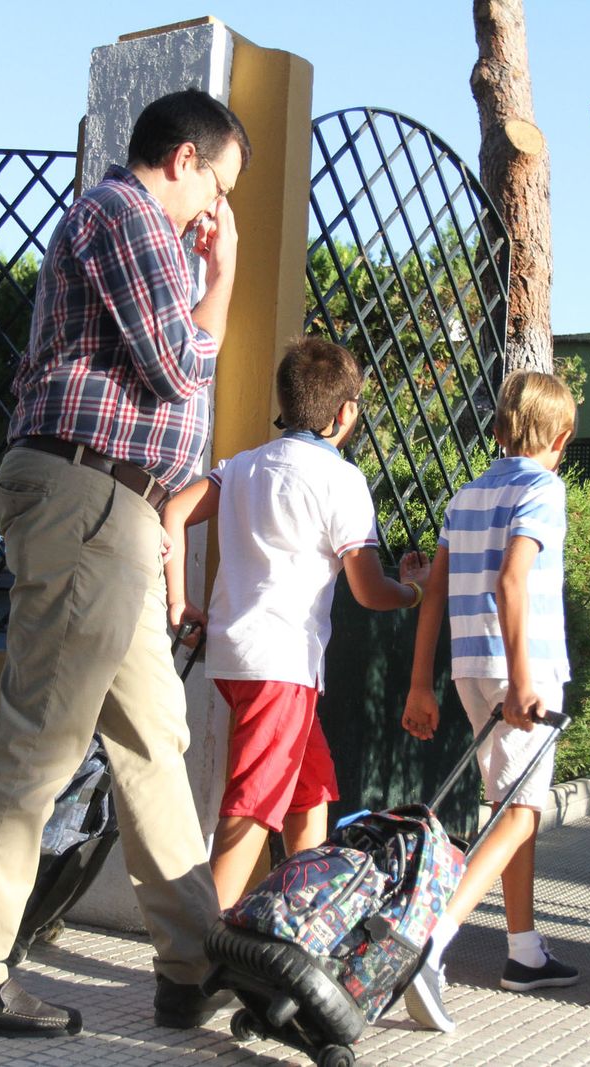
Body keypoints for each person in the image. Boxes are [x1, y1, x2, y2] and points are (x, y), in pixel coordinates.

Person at [0, 89, 250, 1039]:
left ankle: (193, 963)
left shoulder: (137, 229)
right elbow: (178, 367)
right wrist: (221, 273)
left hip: (116, 509)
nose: (216, 210)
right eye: (219, 187)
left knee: (152, 738)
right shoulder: (124, 212)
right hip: (87, 494)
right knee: (45, 733)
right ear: (184, 160)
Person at [161, 337, 429, 909]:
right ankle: (197, 945)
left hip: (235, 659)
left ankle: (305, 917)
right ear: (346, 412)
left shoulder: (243, 467)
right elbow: (369, 590)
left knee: (310, 791)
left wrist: (178, 602)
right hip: (283, 664)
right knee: (254, 805)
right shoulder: (341, 480)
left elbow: (174, 512)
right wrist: (415, 592)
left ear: (284, 401)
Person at [398, 370, 581, 1033]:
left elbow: (434, 595)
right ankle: (430, 941)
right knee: (522, 812)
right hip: (520, 670)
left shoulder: (467, 495)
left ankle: (524, 952)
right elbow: (512, 581)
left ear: (499, 429)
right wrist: (526, 676)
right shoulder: (544, 489)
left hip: (470, 668)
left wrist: (421, 683)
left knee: (511, 805)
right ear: (561, 436)